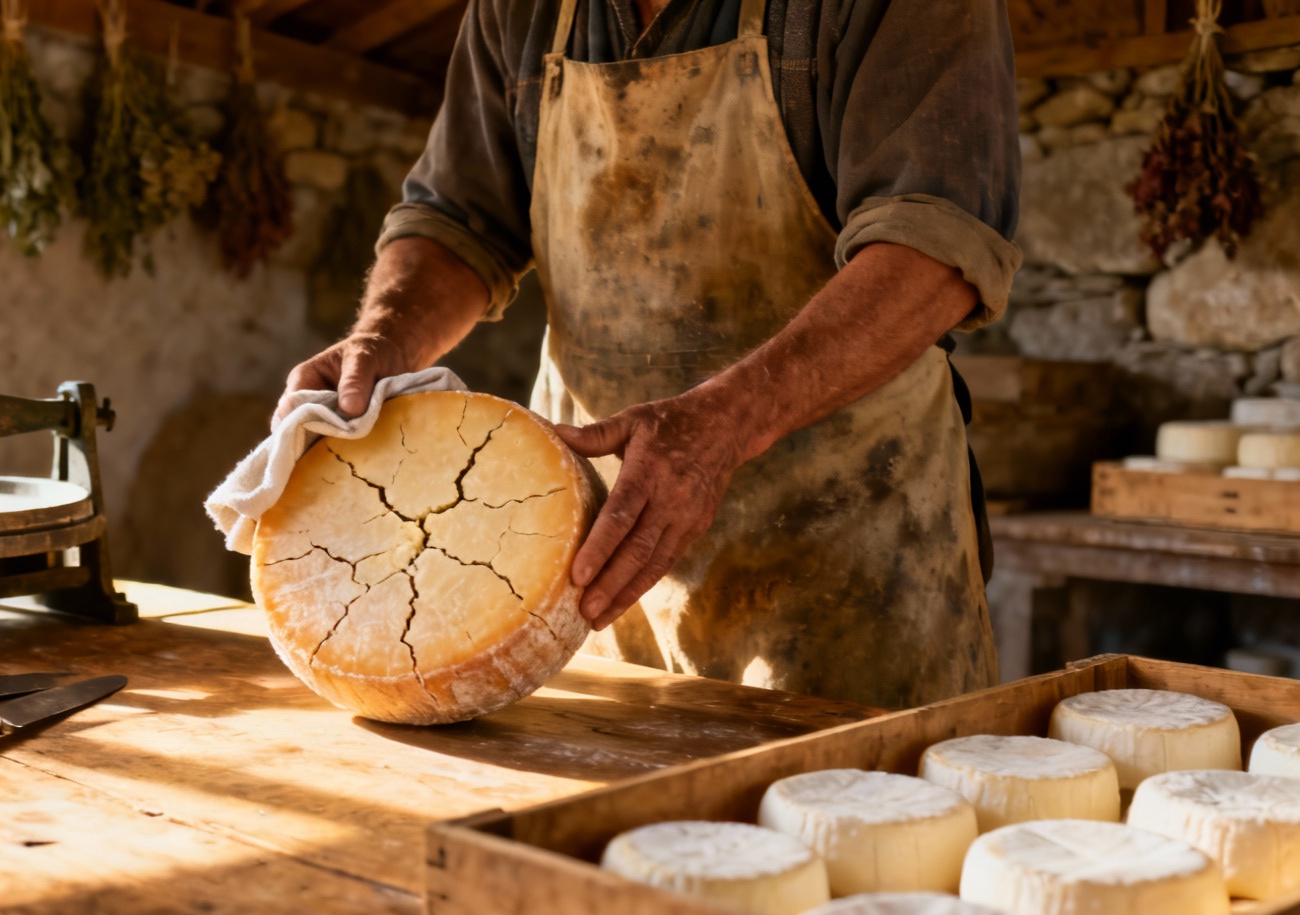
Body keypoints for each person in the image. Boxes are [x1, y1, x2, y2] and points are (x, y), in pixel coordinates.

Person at [278, 0, 1020, 709]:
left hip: (855, 567)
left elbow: (935, 248)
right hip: (590, 565)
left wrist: (722, 422)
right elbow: (455, 218)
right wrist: (386, 337)